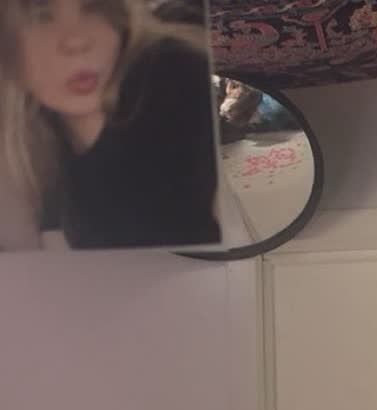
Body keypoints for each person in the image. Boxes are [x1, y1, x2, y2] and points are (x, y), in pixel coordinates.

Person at [0, 0, 220, 249]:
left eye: (94, 7)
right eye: (41, 17)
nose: (77, 41)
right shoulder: (33, 129)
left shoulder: (177, 77)